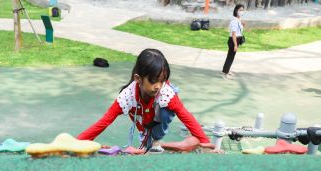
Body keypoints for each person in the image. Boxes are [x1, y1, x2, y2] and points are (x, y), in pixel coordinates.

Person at [77, 49, 212, 153]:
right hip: (143, 119)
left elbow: (185, 116)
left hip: (160, 112)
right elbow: (104, 121)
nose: (158, 85)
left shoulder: (165, 91)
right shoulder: (127, 96)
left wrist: (205, 142)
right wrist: (77, 142)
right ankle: (150, 142)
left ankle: (156, 141)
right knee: (147, 142)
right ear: (138, 79)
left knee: (165, 111)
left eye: (162, 80)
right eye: (153, 81)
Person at [221, 5, 245, 80]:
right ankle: (225, 74)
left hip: (236, 40)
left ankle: (226, 70)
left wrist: (242, 25)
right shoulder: (234, 21)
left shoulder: (238, 19)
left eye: (242, 10)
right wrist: (235, 45)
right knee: (230, 57)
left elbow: (238, 31)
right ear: (236, 11)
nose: (242, 11)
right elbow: (234, 33)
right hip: (233, 40)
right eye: (240, 10)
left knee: (231, 56)